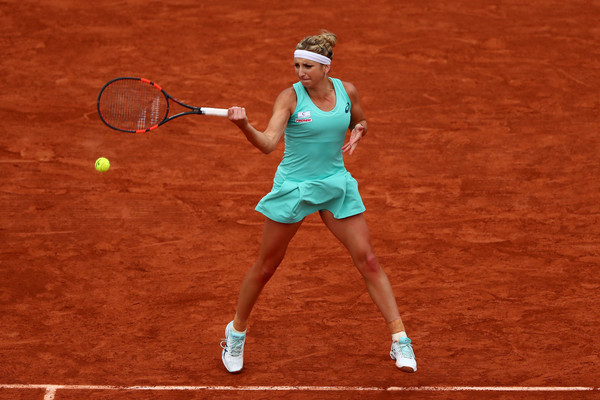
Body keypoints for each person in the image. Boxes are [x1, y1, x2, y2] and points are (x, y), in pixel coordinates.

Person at [221, 31, 417, 374]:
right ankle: (236, 331)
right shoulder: (290, 98)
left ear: (327, 67)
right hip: (294, 188)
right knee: (266, 267)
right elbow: (268, 143)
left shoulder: (347, 90)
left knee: (367, 259)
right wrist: (244, 126)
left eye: (308, 66)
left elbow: (359, 119)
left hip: (335, 184)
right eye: (296, 65)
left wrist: (360, 130)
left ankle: (400, 339)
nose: (300, 72)